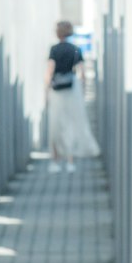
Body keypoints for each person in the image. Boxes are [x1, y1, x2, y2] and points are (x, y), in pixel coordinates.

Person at [45, 20, 100, 173]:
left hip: (57, 92)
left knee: (56, 126)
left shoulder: (54, 49)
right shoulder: (75, 49)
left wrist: (46, 91)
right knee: (70, 125)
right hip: (72, 90)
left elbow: (49, 71)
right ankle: (70, 161)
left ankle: (55, 161)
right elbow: (82, 73)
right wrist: (82, 91)